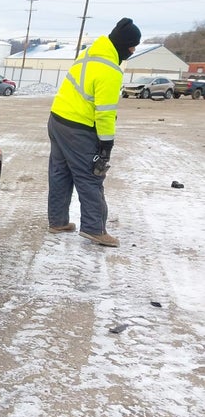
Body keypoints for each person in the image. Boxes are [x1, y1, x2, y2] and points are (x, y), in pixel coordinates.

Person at [47, 17, 141, 247]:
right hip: (78, 128)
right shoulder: (110, 70)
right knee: (90, 176)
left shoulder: (89, 54)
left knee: (60, 172)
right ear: (124, 45)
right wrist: (106, 143)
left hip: (57, 119)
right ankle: (94, 228)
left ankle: (58, 221)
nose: (133, 50)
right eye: (132, 46)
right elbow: (105, 113)